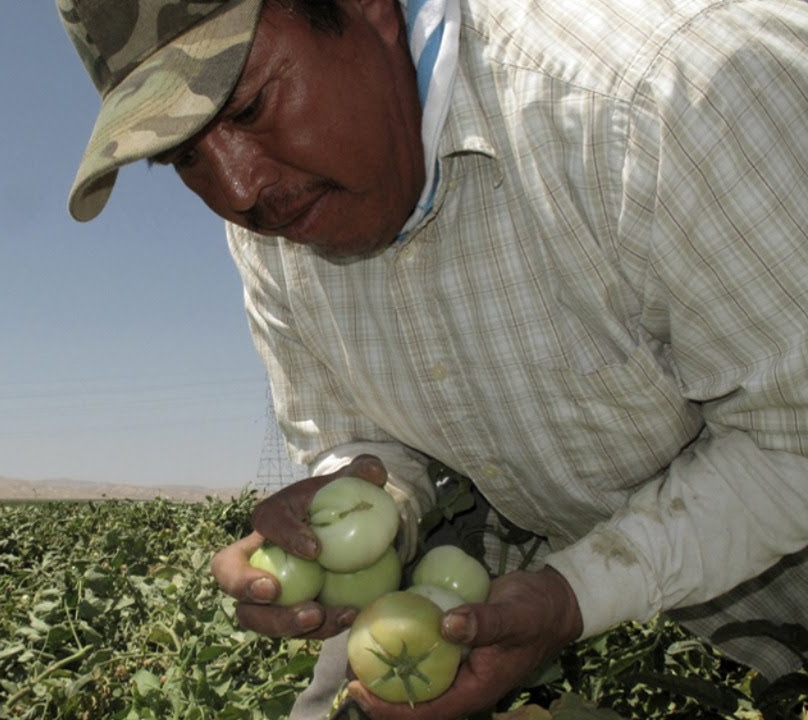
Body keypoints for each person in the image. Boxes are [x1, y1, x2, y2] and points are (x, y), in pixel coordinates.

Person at [56, 0, 808, 717]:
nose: (239, 190)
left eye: (250, 107)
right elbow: (358, 438)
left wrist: (573, 593)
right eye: (184, 157)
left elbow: (795, 443)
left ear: (367, 9)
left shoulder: (660, 96)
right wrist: (355, 495)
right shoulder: (278, 225)